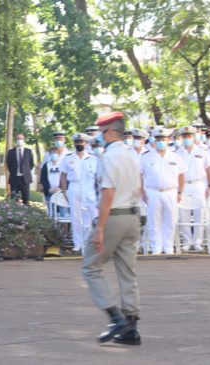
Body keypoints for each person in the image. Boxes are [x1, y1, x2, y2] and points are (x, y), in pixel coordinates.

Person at [81, 112, 143, 345]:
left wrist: (100, 229)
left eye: (101, 131)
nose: (99, 136)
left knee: (90, 266)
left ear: (109, 132)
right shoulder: (130, 155)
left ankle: (115, 317)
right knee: (127, 271)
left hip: (114, 217)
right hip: (133, 217)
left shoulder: (108, 158)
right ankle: (131, 327)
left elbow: (108, 193)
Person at [140, 128, 186, 255]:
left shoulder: (176, 156)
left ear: (168, 140)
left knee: (170, 221)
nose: (161, 142)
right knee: (154, 221)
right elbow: (139, 174)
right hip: (152, 191)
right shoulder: (147, 156)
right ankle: (156, 248)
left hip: (170, 192)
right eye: (158, 140)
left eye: (163, 140)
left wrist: (180, 192)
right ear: (155, 141)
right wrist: (142, 192)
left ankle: (168, 247)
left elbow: (182, 175)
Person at [176, 126, 210, 252]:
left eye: (189, 136)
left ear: (193, 137)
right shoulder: (177, 153)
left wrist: (209, 186)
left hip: (199, 184)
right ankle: (187, 241)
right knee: (184, 214)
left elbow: (208, 169)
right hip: (184, 185)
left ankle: (197, 241)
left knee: (199, 213)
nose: (187, 139)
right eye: (185, 136)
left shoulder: (202, 152)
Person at [61, 133, 91, 252]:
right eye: (77, 142)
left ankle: (87, 242)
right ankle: (77, 243)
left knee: (87, 216)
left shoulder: (90, 157)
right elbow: (63, 176)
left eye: (81, 142)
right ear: (74, 144)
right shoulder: (68, 158)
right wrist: (64, 191)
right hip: (73, 186)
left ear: (85, 144)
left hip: (87, 187)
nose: (79, 144)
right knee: (75, 216)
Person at [80, 137, 103, 238]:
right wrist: (84, 200)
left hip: (106, 197)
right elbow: (83, 182)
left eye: (100, 146)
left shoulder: (109, 160)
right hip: (92, 197)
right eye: (95, 147)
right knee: (93, 223)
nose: (98, 149)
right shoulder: (87, 161)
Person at [6, 134, 33, 205]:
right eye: (18, 139)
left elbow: (31, 164)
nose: (19, 140)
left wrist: (25, 171)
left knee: (26, 200)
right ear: (15, 140)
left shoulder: (28, 151)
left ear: (24, 140)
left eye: (21, 139)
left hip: (25, 179)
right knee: (14, 199)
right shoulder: (11, 152)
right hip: (14, 178)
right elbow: (9, 164)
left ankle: (27, 214)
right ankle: (14, 214)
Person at [39, 146, 65, 217]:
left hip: (60, 192)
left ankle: (63, 228)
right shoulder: (46, 165)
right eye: (52, 153)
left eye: (56, 153)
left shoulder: (62, 164)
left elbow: (65, 178)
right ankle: (53, 227)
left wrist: (60, 188)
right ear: (49, 154)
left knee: (63, 212)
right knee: (51, 213)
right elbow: (42, 179)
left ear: (59, 154)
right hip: (49, 191)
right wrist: (48, 188)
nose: (54, 154)